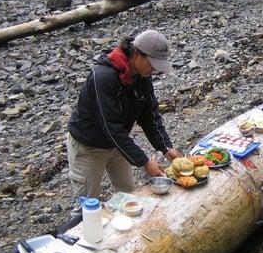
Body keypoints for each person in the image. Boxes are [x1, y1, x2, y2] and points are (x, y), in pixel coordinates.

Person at [67, 29, 182, 200]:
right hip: (89, 146)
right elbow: (111, 128)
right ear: (136, 54)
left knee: (130, 195)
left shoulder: (142, 76)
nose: (155, 69)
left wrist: (165, 147)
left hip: (117, 145)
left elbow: (149, 115)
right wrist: (144, 161)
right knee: (87, 205)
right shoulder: (104, 78)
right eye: (152, 63)